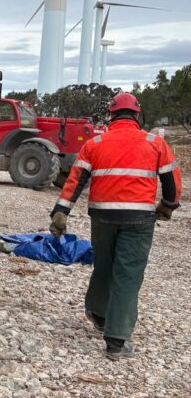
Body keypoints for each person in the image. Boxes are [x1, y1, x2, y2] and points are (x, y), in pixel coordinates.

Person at [49, 92, 182, 359]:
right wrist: (167, 206)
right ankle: (117, 340)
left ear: (111, 115)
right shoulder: (155, 142)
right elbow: (172, 181)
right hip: (139, 220)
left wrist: (61, 212)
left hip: (102, 217)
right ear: (137, 114)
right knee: (128, 274)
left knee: (105, 265)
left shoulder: (95, 143)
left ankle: (98, 313)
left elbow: (75, 180)